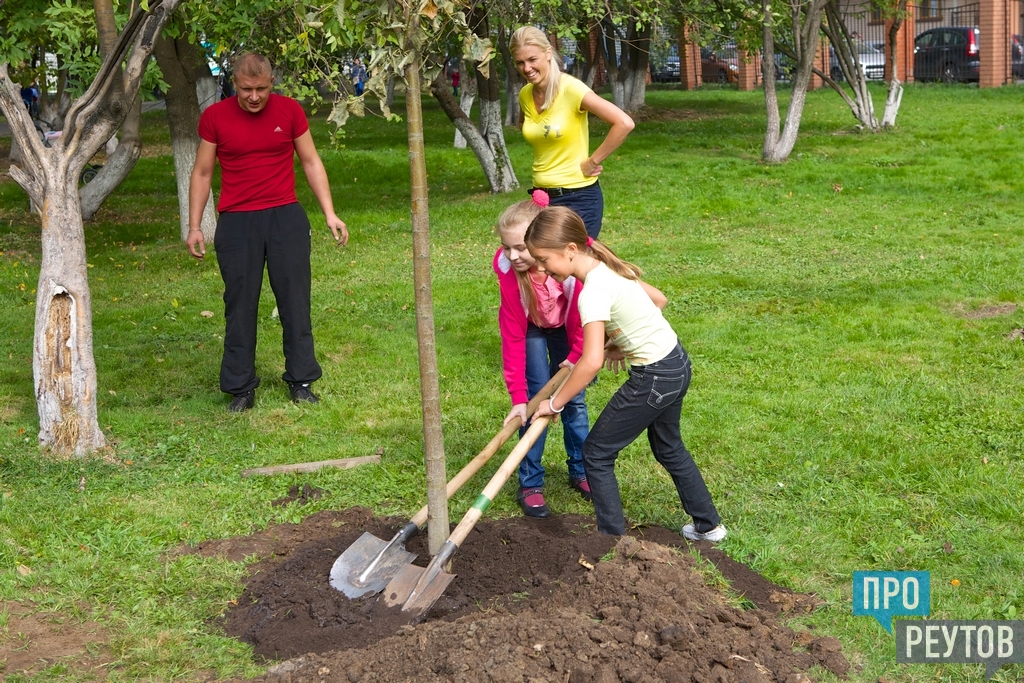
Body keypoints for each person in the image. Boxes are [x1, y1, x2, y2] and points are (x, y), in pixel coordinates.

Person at [527, 207, 726, 542]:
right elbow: (657, 301)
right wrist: (620, 342)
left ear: (571, 250)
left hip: (654, 379)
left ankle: (611, 542)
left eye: (545, 260)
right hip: (676, 363)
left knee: (596, 453)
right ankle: (709, 527)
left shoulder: (591, 293)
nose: (541, 269)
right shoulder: (608, 268)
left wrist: (556, 404)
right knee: (669, 446)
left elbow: (589, 363)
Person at [187, 52, 348, 412]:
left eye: (261, 88)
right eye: (246, 89)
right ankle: (241, 387)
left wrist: (330, 213)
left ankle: (302, 380)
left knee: (295, 300)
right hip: (237, 221)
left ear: (272, 83)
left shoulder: (290, 111)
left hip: (284, 217)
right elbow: (201, 173)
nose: (254, 96)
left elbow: (310, 161)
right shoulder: (215, 117)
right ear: (234, 84)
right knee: (239, 305)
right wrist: (195, 225)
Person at [494, 190, 591, 518]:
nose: (514, 254)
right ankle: (530, 482)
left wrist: (576, 354)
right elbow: (512, 336)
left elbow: (585, 317)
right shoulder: (510, 271)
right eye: (507, 247)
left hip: (568, 328)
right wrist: (518, 398)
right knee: (536, 402)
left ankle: (581, 470)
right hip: (532, 328)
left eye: (521, 246)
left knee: (573, 400)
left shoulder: (570, 265)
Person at [510, 26, 635, 239]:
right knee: (544, 267)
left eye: (532, 59)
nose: (527, 68)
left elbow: (624, 123)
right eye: (520, 62)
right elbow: (525, 124)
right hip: (541, 199)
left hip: (579, 197)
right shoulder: (525, 94)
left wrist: (593, 161)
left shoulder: (571, 89)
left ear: (548, 53)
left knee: (573, 266)